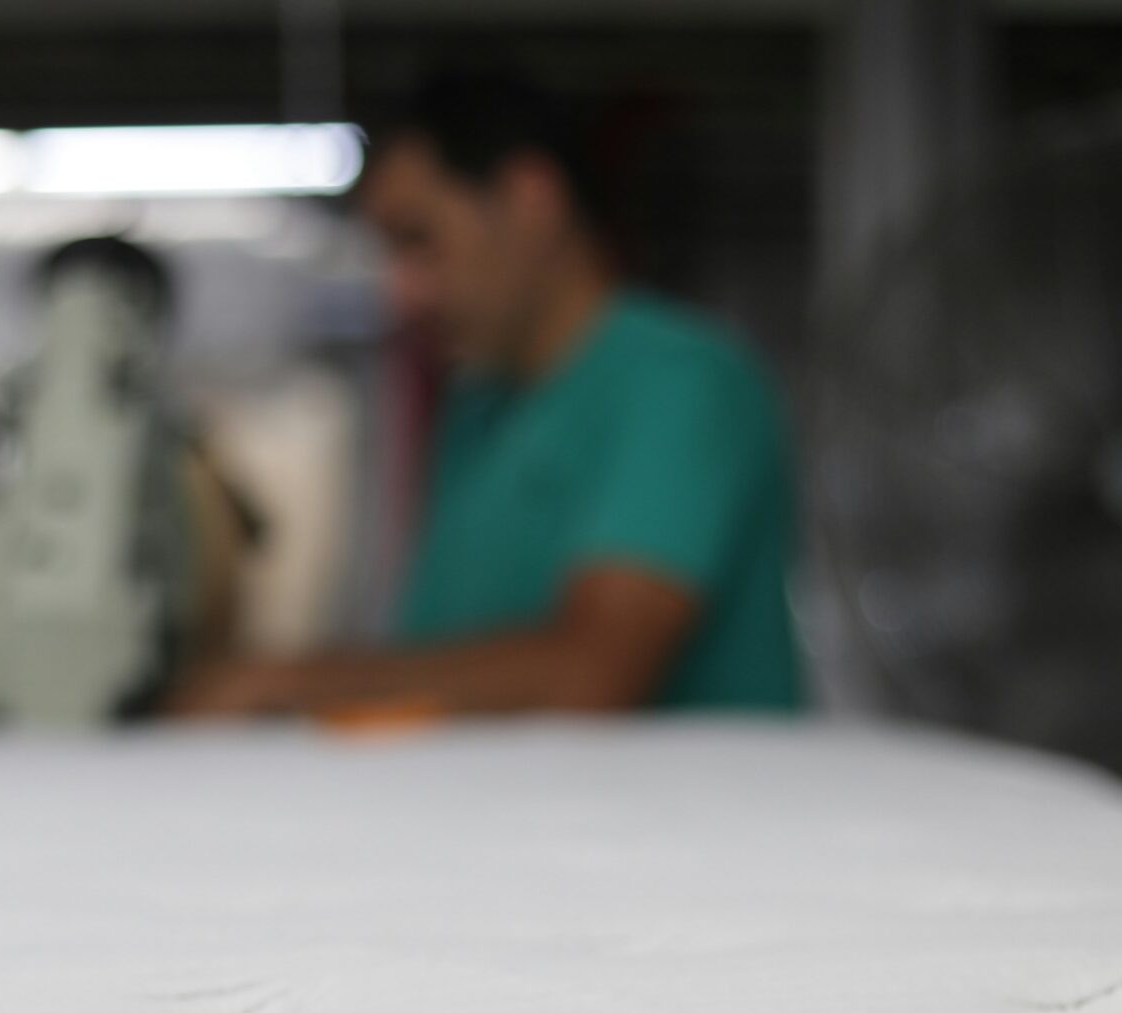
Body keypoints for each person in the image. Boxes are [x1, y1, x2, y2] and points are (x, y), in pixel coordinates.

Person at [169, 71, 802, 719]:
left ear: (531, 199)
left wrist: (278, 684)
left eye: (419, 239)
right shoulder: (475, 411)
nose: (403, 292)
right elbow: (440, 672)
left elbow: (586, 679)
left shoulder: (681, 382)